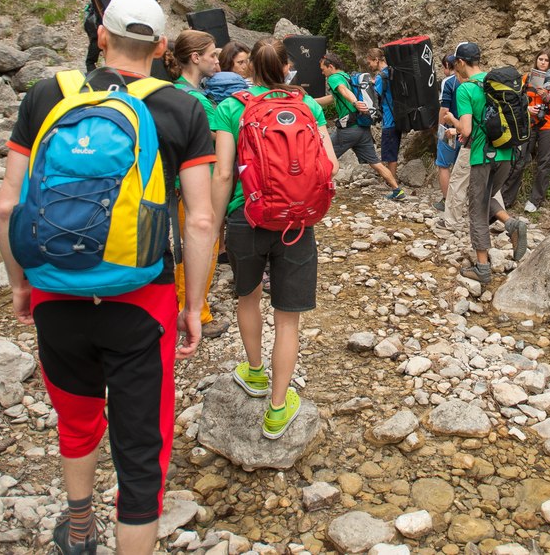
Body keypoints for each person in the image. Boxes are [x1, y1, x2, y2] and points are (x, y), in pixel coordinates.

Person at [0, 0, 217, 555]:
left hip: (54, 287)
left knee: (76, 417)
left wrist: (21, 283)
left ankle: (77, 525)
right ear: (163, 48)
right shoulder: (181, 108)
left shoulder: (49, 93)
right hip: (141, 299)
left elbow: (7, 205)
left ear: (100, 36)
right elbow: (200, 219)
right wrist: (192, 306)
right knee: (142, 451)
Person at [210, 38, 338, 438]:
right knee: (288, 319)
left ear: (247, 71)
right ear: (287, 69)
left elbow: (224, 173)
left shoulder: (231, 107)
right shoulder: (309, 106)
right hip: (297, 223)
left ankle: (254, 373)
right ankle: (278, 409)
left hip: (245, 217)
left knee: (247, 296)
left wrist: (215, 227)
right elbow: (331, 164)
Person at [164, 30, 229, 339]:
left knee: (184, 246)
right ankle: (195, 312)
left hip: (176, 183)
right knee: (201, 247)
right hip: (196, 184)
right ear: (195, 58)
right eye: (213, 55)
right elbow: (223, 136)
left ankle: (185, 306)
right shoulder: (199, 102)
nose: (217, 61)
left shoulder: (175, 91)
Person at [453, 41, 528, 284]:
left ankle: (483, 268)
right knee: (485, 199)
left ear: (461, 63)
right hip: (507, 154)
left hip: (482, 156)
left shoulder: (465, 89)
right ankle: (510, 223)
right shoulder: (498, 83)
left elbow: (465, 129)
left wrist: (451, 120)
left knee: (476, 208)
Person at [318, 53, 403, 200]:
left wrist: (355, 102)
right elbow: (333, 98)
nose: (322, 72)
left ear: (330, 66)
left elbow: (344, 91)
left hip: (348, 131)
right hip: (362, 128)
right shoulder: (347, 76)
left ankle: (316, 192)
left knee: (323, 156)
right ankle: (397, 191)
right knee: (376, 163)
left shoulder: (334, 78)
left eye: (323, 69)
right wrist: (308, 101)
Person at [500, 47, 550, 213]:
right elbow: (515, 100)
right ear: (536, 60)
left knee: (544, 162)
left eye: (546, 60)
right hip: (528, 123)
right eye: (540, 59)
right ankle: (506, 198)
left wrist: (548, 97)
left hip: (548, 124)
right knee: (519, 159)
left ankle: (535, 200)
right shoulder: (526, 78)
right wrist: (527, 110)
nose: (543, 63)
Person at [368, 47, 403, 185]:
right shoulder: (393, 71)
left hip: (389, 119)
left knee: (390, 153)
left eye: (370, 62)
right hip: (399, 116)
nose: (370, 65)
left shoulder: (381, 76)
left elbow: (375, 97)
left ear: (377, 60)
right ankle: (392, 179)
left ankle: (392, 181)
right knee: (393, 149)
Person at [435, 53, 463, 213]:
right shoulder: (472, 81)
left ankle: (446, 201)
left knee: (443, 165)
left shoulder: (449, 82)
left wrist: (440, 127)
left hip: (450, 131)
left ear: (447, 65)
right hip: (468, 130)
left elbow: (444, 109)